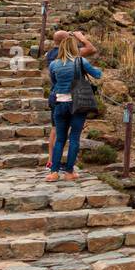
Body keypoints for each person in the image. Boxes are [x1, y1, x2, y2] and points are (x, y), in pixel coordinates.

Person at [46, 34, 103, 182]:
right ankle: (69, 172)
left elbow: (54, 81)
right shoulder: (80, 61)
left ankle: (54, 172)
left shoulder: (54, 64)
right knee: (74, 138)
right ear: (74, 48)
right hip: (77, 104)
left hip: (59, 103)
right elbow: (97, 75)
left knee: (60, 139)